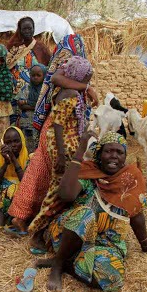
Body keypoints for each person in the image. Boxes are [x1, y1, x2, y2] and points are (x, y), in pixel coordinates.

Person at [35, 131, 147, 292]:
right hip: (71, 234)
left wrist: (146, 244)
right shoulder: (89, 174)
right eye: (108, 151)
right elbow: (66, 194)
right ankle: (58, 265)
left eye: (119, 152)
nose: (114, 156)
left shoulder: (129, 180)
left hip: (104, 243)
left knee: (112, 280)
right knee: (86, 214)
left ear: (125, 157)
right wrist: (80, 151)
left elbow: (136, 213)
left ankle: (68, 265)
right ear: (99, 154)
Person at [8, 34, 98, 234]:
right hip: (58, 132)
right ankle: (35, 222)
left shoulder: (73, 71)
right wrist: (86, 87)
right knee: (51, 176)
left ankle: (23, 215)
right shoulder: (70, 68)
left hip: (56, 129)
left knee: (40, 172)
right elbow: (56, 78)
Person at [28, 56, 93, 236]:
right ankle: (37, 232)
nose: (88, 82)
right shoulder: (71, 95)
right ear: (78, 76)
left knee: (57, 190)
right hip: (63, 148)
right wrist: (63, 156)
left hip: (64, 146)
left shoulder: (64, 90)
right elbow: (58, 124)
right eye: (87, 79)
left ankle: (47, 230)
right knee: (56, 192)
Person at [6, 16, 52, 90]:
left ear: (34, 29)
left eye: (30, 28)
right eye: (24, 29)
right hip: (13, 91)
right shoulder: (14, 47)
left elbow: (50, 67)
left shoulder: (41, 47)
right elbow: (5, 67)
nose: (27, 31)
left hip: (36, 92)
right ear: (20, 30)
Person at [16, 63, 46, 152]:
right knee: (26, 147)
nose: (35, 77)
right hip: (26, 123)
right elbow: (20, 105)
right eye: (33, 75)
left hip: (41, 124)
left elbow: (46, 105)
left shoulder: (46, 90)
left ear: (44, 76)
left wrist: (27, 104)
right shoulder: (26, 88)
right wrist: (37, 106)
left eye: (38, 75)